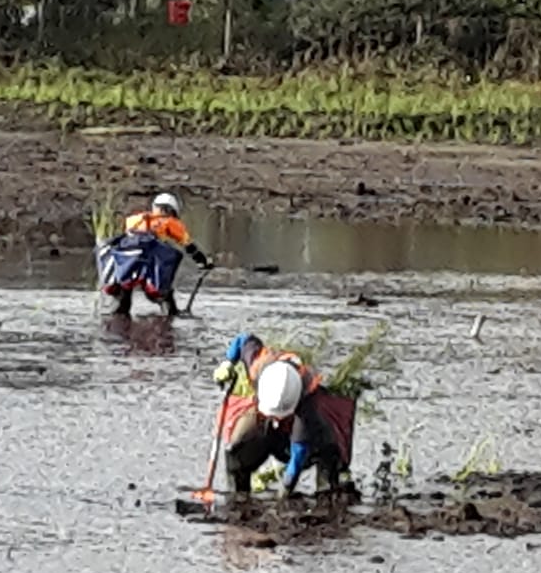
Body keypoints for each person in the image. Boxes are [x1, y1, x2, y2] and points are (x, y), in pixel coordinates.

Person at [215, 333, 356, 498]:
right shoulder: (259, 366)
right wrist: (228, 363)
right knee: (236, 448)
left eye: (279, 416)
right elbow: (242, 341)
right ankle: (238, 495)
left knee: (328, 448)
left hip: (310, 438)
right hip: (265, 419)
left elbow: (298, 455)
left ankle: (328, 491)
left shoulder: (306, 409)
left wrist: (285, 490)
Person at [100, 190, 212, 317]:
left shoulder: (135, 220)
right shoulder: (169, 222)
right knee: (164, 295)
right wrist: (202, 262)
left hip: (128, 265)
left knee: (124, 298)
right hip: (152, 265)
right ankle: (170, 316)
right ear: (170, 210)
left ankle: (119, 324)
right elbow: (188, 245)